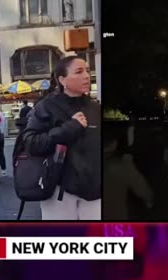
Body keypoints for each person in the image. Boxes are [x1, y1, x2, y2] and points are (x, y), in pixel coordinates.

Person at [23, 55, 101, 220]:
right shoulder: (46, 107)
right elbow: (32, 143)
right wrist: (68, 129)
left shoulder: (95, 108)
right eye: (79, 72)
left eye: (87, 70)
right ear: (62, 80)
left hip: (94, 192)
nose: (86, 75)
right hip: (59, 191)